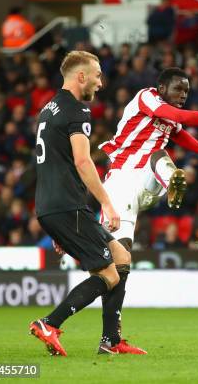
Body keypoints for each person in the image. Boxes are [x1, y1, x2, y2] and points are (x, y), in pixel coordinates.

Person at [98, 67, 198, 333]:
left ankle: (172, 182)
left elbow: (180, 132)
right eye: (178, 89)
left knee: (158, 154)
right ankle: (111, 337)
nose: (183, 94)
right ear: (162, 89)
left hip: (145, 178)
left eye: (186, 90)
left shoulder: (169, 117)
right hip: (120, 184)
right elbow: (178, 117)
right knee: (121, 262)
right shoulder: (146, 97)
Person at [29, 51, 145, 356]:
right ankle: (49, 323)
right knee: (108, 275)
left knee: (121, 257)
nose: (101, 82)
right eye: (97, 74)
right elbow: (82, 161)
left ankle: (111, 341)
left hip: (53, 205)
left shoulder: (48, 110)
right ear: (81, 76)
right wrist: (107, 204)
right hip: (67, 206)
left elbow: (49, 164)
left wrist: (57, 225)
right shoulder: (76, 111)